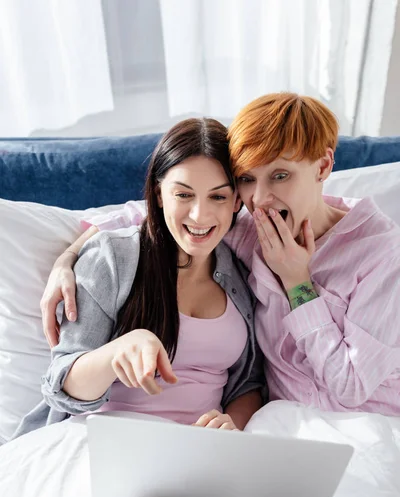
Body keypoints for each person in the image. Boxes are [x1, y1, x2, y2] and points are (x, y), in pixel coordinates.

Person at [42, 92, 400, 417]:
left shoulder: (382, 254)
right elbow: (160, 211)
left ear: (323, 167)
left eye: (280, 176)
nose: (258, 199)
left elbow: (350, 387)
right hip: (279, 427)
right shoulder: (245, 228)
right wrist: (68, 258)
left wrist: (297, 285)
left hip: (363, 425)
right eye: (246, 179)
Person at [15, 118, 264, 438]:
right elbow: (63, 387)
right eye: (184, 195)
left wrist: (231, 424)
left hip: (201, 453)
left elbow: (249, 383)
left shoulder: (243, 273)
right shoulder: (113, 258)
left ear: (236, 201)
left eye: (217, 197)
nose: (200, 215)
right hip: (109, 442)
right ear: (160, 195)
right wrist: (117, 352)